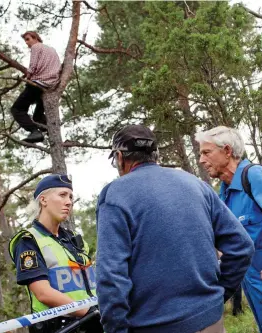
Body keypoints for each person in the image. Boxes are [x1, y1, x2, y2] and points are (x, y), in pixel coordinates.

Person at [96, 124, 254, 333]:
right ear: (155, 154)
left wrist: (115, 329)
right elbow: (242, 246)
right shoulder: (195, 184)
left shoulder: (115, 195)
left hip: (155, 325)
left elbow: (111, 276)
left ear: (119, 157)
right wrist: (217, 296)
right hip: (211, 322)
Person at [9, 174, 103, 333]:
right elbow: (43, 293)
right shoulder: (28, 240)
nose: (69, 202)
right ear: (43, 200)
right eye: (62, 195)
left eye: (71, 197)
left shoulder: (75, 240)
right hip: (60, 327)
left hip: (94, 323)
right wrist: (89, 312)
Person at [196, 126, 262, 332]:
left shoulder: (254, 176)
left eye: (206, 153)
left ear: (226, 151)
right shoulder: (221, 196)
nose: (200, 160)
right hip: (251, 286)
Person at [11, 31, 61, 143]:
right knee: (37, 116)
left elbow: (33, 66)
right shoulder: (51, 49)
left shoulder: (36, 47)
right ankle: (50, 130)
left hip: (38, 83)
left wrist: (27, 77)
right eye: (25, 40)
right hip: (51, 84)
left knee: (17, 109)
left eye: (28, 39)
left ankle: (34, 132)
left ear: (36, 38)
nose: (27, 43)